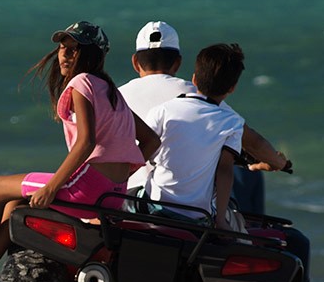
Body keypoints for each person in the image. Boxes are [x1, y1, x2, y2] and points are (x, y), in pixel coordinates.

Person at [0, 21, 150, 282]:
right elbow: (151, 140)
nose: (64, 55)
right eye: (62, 48)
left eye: (74, 49)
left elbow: (86, 143)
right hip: (112, 193)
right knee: (15, 208)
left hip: (88, 187)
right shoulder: (112, 92)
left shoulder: (81, 83)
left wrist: (54, 186)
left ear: (92, 55)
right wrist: (121, 173)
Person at [120, 20, 286, 216]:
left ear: (135, 62)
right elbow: (253, 142)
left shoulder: (115, 96)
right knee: (245, 176)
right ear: (178, 62)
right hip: (185, 205)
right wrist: (279, 163)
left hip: (127, 195)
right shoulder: (196, 96)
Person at [136, 43, 263, 226]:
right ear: (232, 88)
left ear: (194, 79)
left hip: (154, 207)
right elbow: (225, 171)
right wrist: (219, 220)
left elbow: (145, 150)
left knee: (131, 196)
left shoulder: (164, 110)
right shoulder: (233, 122)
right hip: (196, 218)